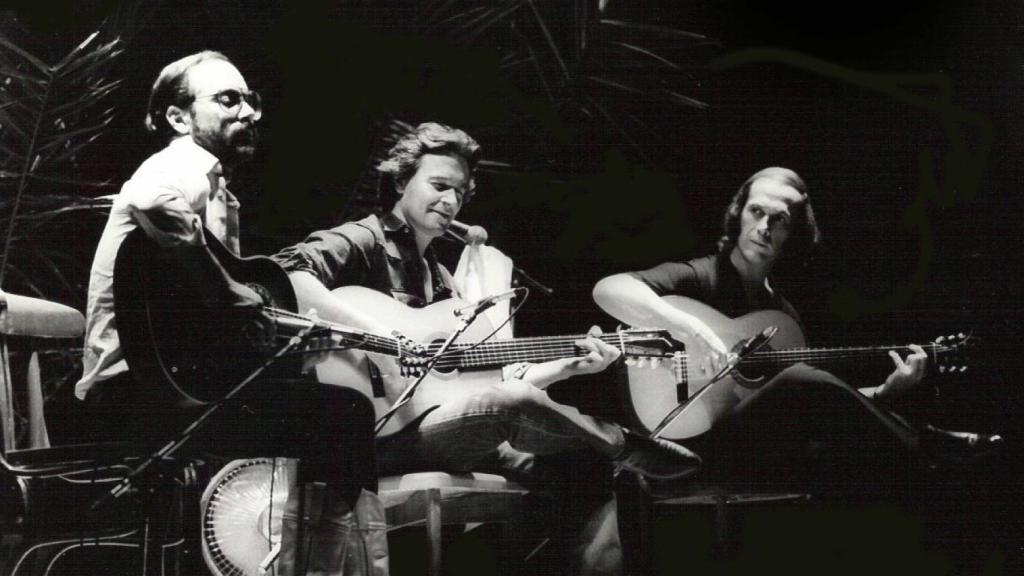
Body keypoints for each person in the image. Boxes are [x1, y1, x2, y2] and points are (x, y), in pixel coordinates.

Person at [272, 122, 700, 573]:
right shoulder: (364, 239)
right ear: (401, 182)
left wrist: (569, 367)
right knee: (514, 404)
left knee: (584, 466)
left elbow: (479, 380)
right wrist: (382, 339)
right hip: (374, 436)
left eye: (459, 192)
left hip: (436, 428)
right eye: (438, 185)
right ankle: (619, 440)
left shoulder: (441, 278)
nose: (450, 201)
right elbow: (286, 273)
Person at [75, 51, 384, 576]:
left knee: (329, 412)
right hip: (137, 390)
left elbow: (200, 318)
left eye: (251, 100)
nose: (248, 112)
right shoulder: (181, 163)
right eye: (227, 99)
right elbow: (152, 200)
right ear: (179, 118)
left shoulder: (219, 191)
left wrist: (276, 334)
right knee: (345, 416)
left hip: (173, 384)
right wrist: (230, 294)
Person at [592, 166, 1002, 499]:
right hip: (686, 441)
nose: (764, 227)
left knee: (815, 409)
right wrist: (694, 328)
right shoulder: (698, 276)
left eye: (780, 220)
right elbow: (608, 289)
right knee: (806, 380)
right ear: (738, 215)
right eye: (756, 212)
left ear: (794, 233)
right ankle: (928, 447)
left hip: (748, 447)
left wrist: (887, 391)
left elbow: (807, 401)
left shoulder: (782, 315)